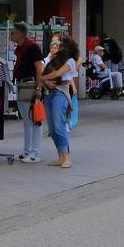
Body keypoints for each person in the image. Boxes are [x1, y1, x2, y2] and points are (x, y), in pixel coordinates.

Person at [41, 34, 80, 168]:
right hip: (49, 93)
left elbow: (58, 74)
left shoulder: (70, 61)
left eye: (61, 46)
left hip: (61, 92)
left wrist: (43, 77)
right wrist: (45, 80)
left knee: (59, 126)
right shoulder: (55, 59)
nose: (58, 48)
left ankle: (67, 157)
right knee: (52, 128)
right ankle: (60, 156)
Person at [12, 23, 45, 162]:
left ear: (20, 34)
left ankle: (35, 153)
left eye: (13, 32)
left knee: (34, 119)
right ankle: (27, 151)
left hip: (30, 85)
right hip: (22, 84)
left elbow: (39, 67)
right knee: (27, 121)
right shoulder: (20, 48)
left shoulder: (32, 47)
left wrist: (39, 87)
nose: (11, 35)